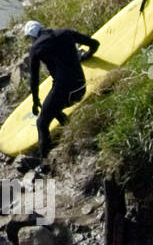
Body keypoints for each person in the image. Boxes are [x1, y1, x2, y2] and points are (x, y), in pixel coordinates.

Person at [24, 20, 100, 157]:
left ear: (32, 37)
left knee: (41, 123)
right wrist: (84, 56)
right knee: (54, 108)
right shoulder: (66, 32)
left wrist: (35, 101)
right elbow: (95, 44)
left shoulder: (36, 48)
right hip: (81, 87)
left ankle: (43, 164)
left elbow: (34, 79)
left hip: (64, 91)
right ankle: (69, 131)